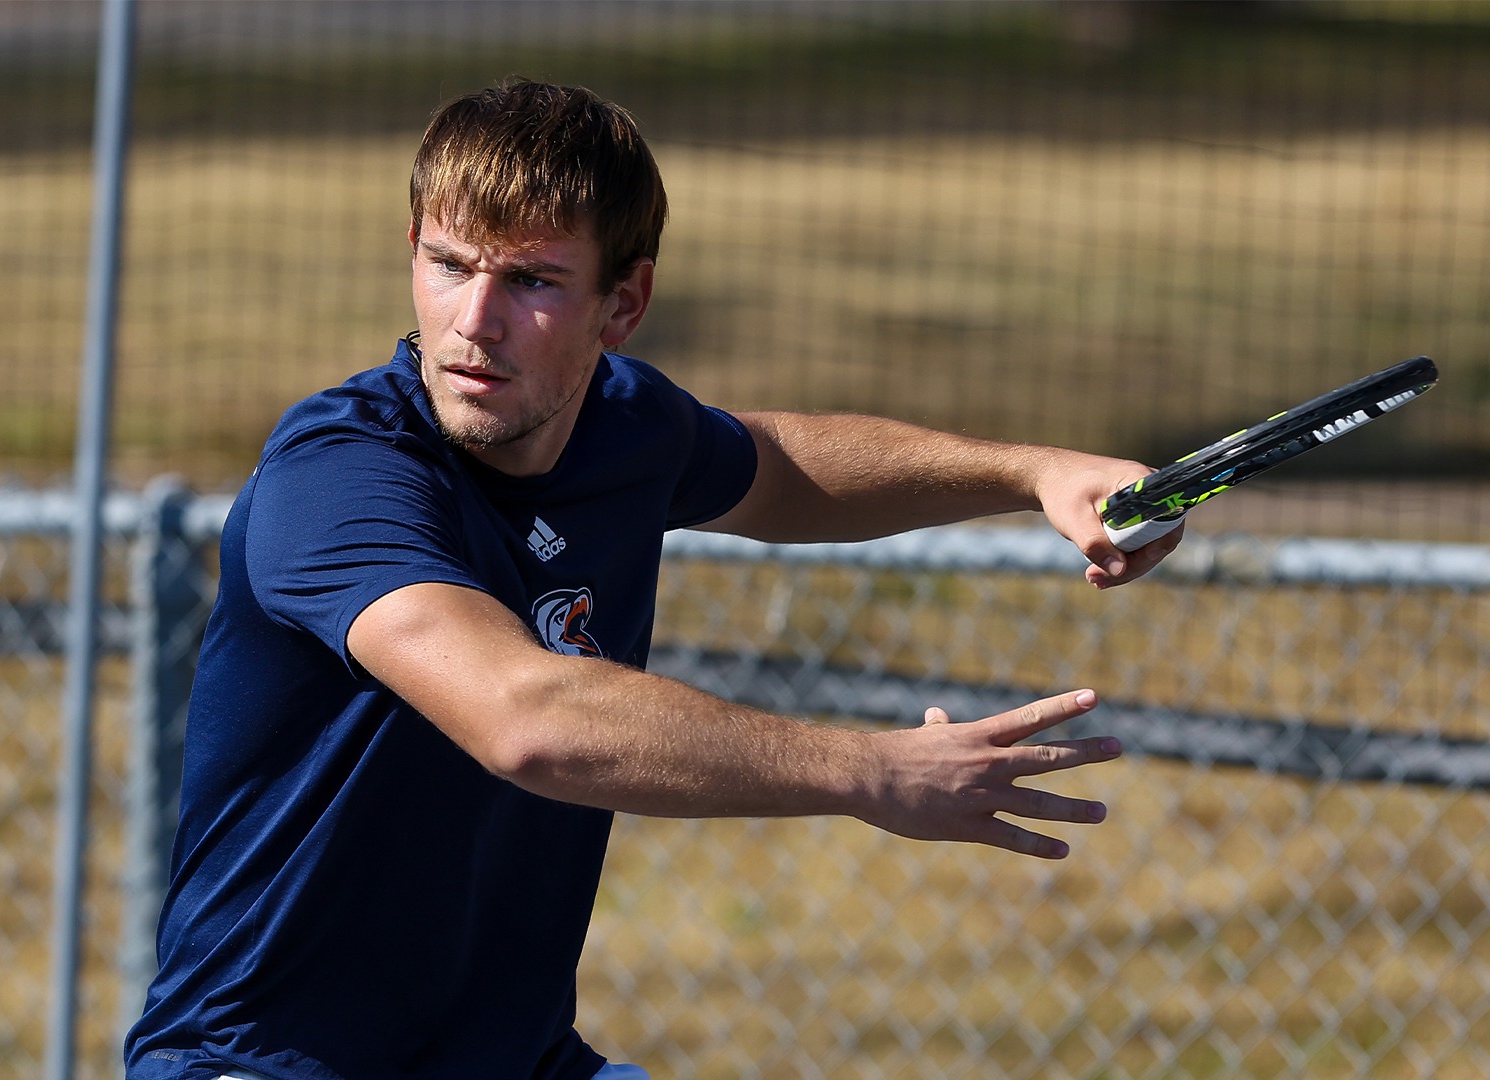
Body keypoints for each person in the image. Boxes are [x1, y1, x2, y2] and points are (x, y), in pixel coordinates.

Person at [124, 80, 1179, 1080]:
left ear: (623, 303)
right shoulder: (341, 476)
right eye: (450, 264)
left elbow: (786, 472)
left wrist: (1031, 471)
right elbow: (527, 715)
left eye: (532, 282)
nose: (475, 321)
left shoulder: (624, 427)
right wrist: (871, 770)